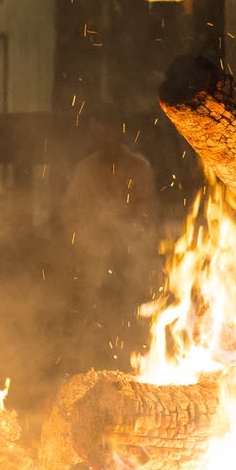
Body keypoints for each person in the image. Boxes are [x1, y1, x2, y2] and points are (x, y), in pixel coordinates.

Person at [59, 115, 160, 323]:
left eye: (106, 134)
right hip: (94, 244)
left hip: (132, 241)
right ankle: (93, 322)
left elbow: (147, 210)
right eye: (97, 135)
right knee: (94, 269)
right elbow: (71, 210)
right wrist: (90, 230)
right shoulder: (85, 169)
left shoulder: (139, 167)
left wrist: (125, 225)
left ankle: (135, 319)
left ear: (117, 133)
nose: (102, 140)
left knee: (137, 264)